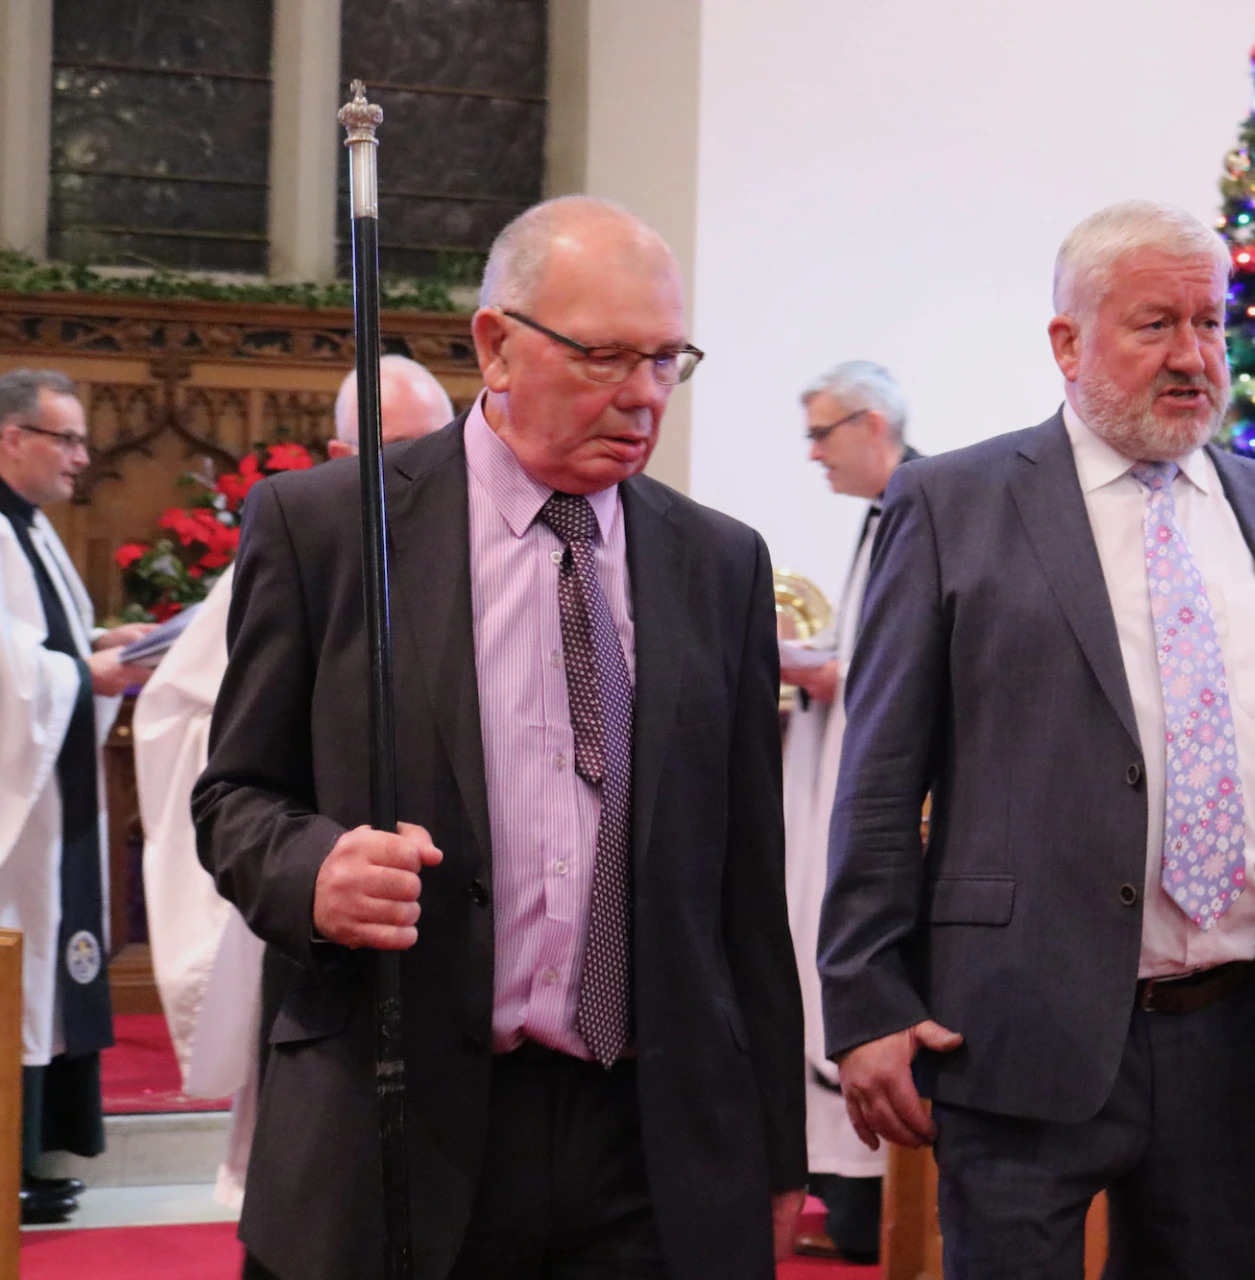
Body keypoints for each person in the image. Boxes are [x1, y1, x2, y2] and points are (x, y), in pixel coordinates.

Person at [817, 200, 1255, 1279]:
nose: (1193, 356)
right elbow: (875, 780)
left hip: (1234, 1033)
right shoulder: (953, 504)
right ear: (1067, 341)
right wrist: (866, 999)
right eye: (1157, 324)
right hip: (1015, 1021)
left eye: (1212, 324)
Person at [193, 195, 806, 1280]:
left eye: (669, 360)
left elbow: (748, 888)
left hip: (649, 1144)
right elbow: (235, 794)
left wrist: (770, 1157)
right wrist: (314, 870)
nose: (643, 395)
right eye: (608, 356)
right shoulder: (334, 530)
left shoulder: (719, 562)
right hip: (397, 1118)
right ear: (496, 345)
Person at [134, 355, 452, 1208]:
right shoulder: (305, 546)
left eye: (438, 445)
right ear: (340, 452)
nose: (420, 471)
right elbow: (210, 738)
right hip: (330, 923)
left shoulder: (484, 553)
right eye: (396, 449)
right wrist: (315, 855)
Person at [0, 369, 156, 1225]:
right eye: (65, 439)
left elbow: (36, 644)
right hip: (11, 806)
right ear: (10, 438)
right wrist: (83, 672)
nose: (82, 459)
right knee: (18, 965)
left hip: (50, 791)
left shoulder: (32, 530)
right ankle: (6, 1162)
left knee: (51, 963)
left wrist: (103, 643)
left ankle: (37, 1153)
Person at [779, 359, 917, 1265]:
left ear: (873, 426)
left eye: (823, 434)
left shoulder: (923, 508)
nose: (814, 455)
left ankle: (869, 1205)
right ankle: (839, 1188)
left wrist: (822, 670)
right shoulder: (883, 516)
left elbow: (913, 666)